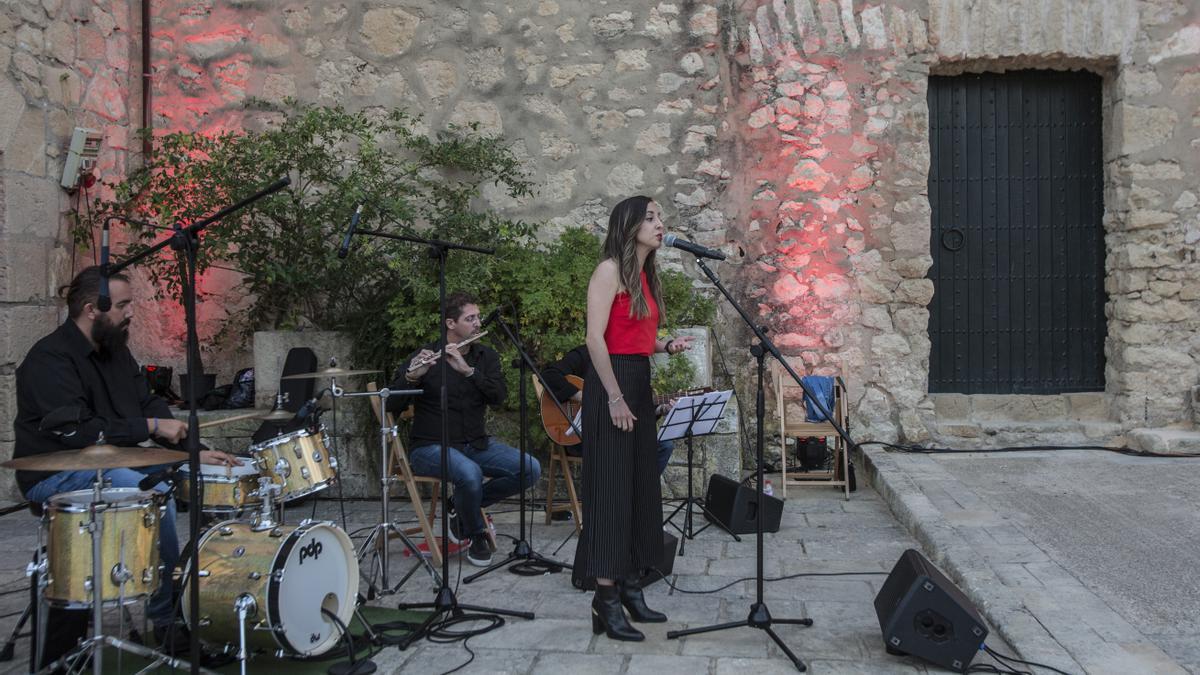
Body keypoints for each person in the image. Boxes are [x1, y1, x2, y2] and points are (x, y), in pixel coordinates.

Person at [12, 266, 241, 666]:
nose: (129, 313)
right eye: (121, 306)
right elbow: (79, 432)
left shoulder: (117, 351)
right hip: (54, 476)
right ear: (91, 309)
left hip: (110, 467)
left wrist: (194, 451)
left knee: (197, 482)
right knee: (151, 497)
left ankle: (200, 604)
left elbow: (148, 403)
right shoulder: (48, 360)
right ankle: (168, 625)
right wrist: (150, 426)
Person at [575, 196, 694, 642]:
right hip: (613, 386)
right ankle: (604, 600)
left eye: (661, 216)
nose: (660, 224)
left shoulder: (643, 275)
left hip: (637, 380)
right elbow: (595, 339)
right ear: (628, 226)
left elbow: (632, 336)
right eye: (650, 217)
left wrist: (664, 346)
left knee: (639, 486)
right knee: (611, 491)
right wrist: (614, 398)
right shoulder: (608, 270)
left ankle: (629, 587)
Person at [388, 291, 541, 567]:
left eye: (478, 317)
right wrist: (411, 376)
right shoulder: (426, 355)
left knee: (530, 468)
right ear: (450, 324)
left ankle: (461, 506)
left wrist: (469, 372)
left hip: (475, 443)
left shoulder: (486, 357)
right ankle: (475, 533)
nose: (478, 323)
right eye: (470, 318)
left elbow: (498, 397)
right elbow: (391, 406)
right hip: (429, 447)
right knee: (470, 473)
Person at [542, 344, 677, 475]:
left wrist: (660, 409)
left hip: (615, 432)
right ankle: (621, 495)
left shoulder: (629, 362)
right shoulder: (584, 354)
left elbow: (634, 407)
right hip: (579, 435)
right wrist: (582, 396)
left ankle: (639, 495)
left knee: (664, 446)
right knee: (623, 445)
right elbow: (549, 375)